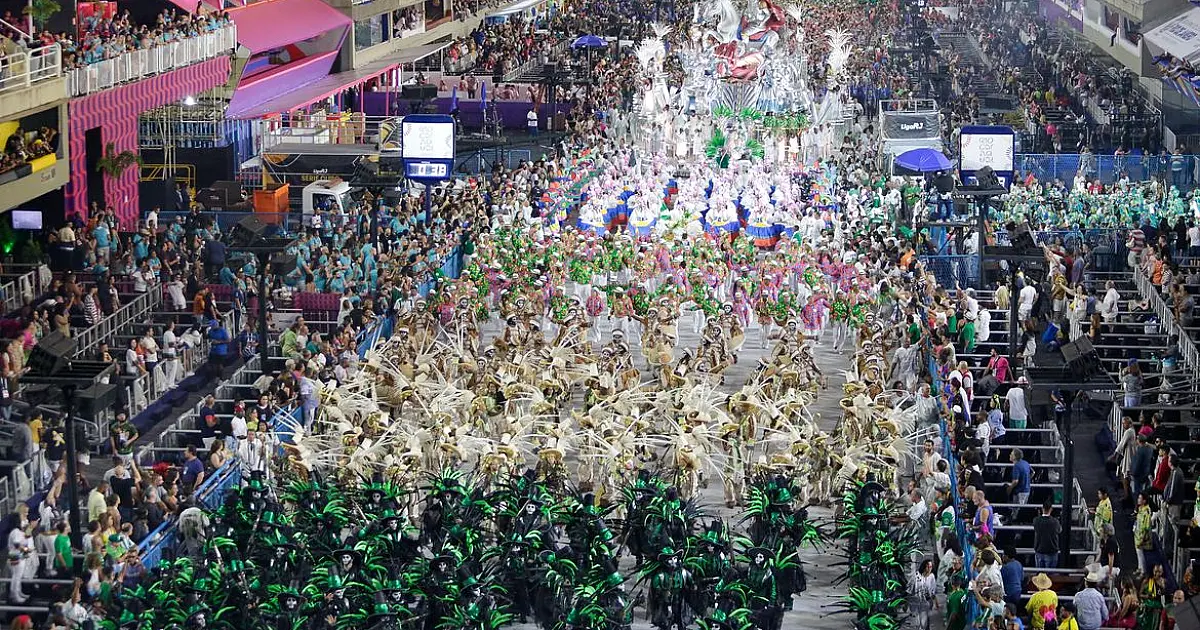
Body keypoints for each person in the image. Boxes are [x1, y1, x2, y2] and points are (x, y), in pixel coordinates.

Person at [909, 557, 938, 630]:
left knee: (924, 622)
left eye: (931, 567)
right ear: (924, 567)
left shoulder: (932, 577)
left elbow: (933, 590)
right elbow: (910, 588)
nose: (929, 568)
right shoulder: (917, 575)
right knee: (918, 623)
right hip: (916, 602)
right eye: (928, 566)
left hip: (926, 602)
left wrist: (935, 601)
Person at [1033, 501, 1061, 568]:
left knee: (1040, 574)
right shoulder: (1055, 522)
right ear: (1051, 509)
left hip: (1040, 549)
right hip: (1052, 550)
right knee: (1051, 575)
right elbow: (1059, 530)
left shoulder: (1036, 520)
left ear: (1042, 508)